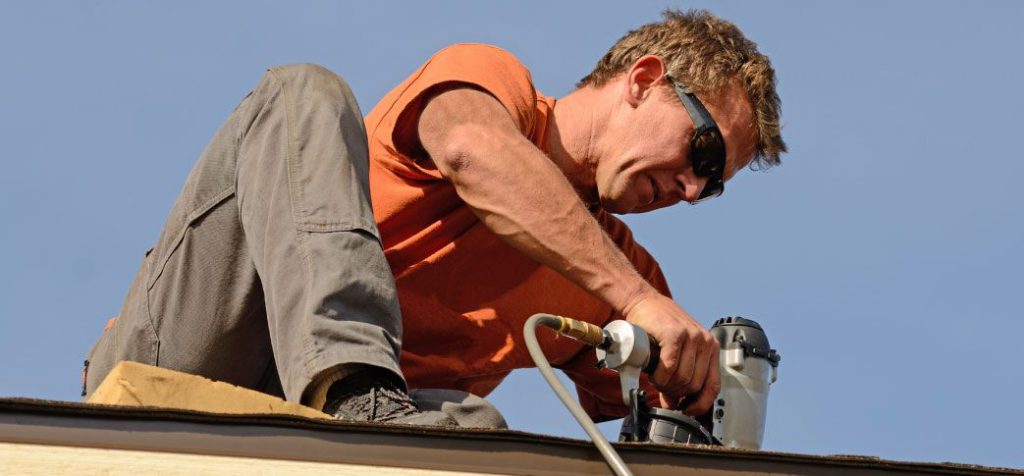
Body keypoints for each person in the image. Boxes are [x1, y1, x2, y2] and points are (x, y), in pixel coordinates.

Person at [83, 9, 786, 428]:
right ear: (643, 80)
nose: (693, 189)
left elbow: (665, 437)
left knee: (480, 437)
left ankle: (375, 418)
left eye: (714, 183)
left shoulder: (621, 279)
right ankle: (352, 387)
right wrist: (635, 299)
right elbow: (470, 151)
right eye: (702, 150)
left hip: (351, 435)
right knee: (304, 93)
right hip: (197, 346)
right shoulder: (494, 85)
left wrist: (711, 397)